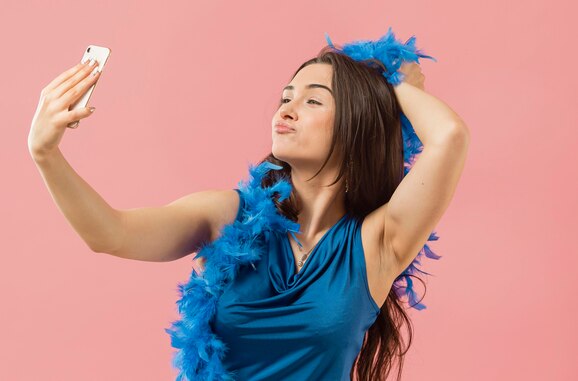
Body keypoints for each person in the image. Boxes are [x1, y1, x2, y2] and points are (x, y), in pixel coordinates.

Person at [28, 34, 469, 381]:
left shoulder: (378, 243)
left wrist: (387, 78)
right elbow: (111, 234)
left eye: (313, 99)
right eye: (286, 96)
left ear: (356, 123)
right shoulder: (225, 217)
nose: (288, 108)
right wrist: (46, 154)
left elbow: (448, 137)